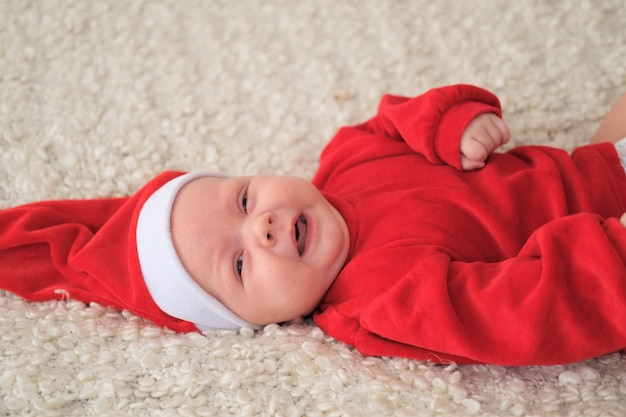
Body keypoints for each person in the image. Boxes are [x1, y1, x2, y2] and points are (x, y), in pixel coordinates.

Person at [1, 84, 625, 366]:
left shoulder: (348, 155)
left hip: (592, 167)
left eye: (244, 201)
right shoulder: (378, 299)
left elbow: (396, 121)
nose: (264, 228)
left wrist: (450, 124)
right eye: (241, 265)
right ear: (255, 322)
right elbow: (526, 309)